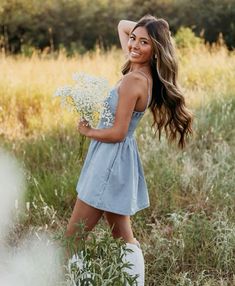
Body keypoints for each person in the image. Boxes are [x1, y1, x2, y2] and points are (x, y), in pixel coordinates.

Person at [65, 14, 193, 285]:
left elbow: (118, 132)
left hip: (109, 161)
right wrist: (153, 30)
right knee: (123, 236)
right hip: (118, 160)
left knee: (72, 239)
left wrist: (88, 131)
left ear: (156, 50)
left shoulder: (135, 80)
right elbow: (123, 24)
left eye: (144, 42)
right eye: (133, 39)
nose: (133, 44)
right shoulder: (142, 72)